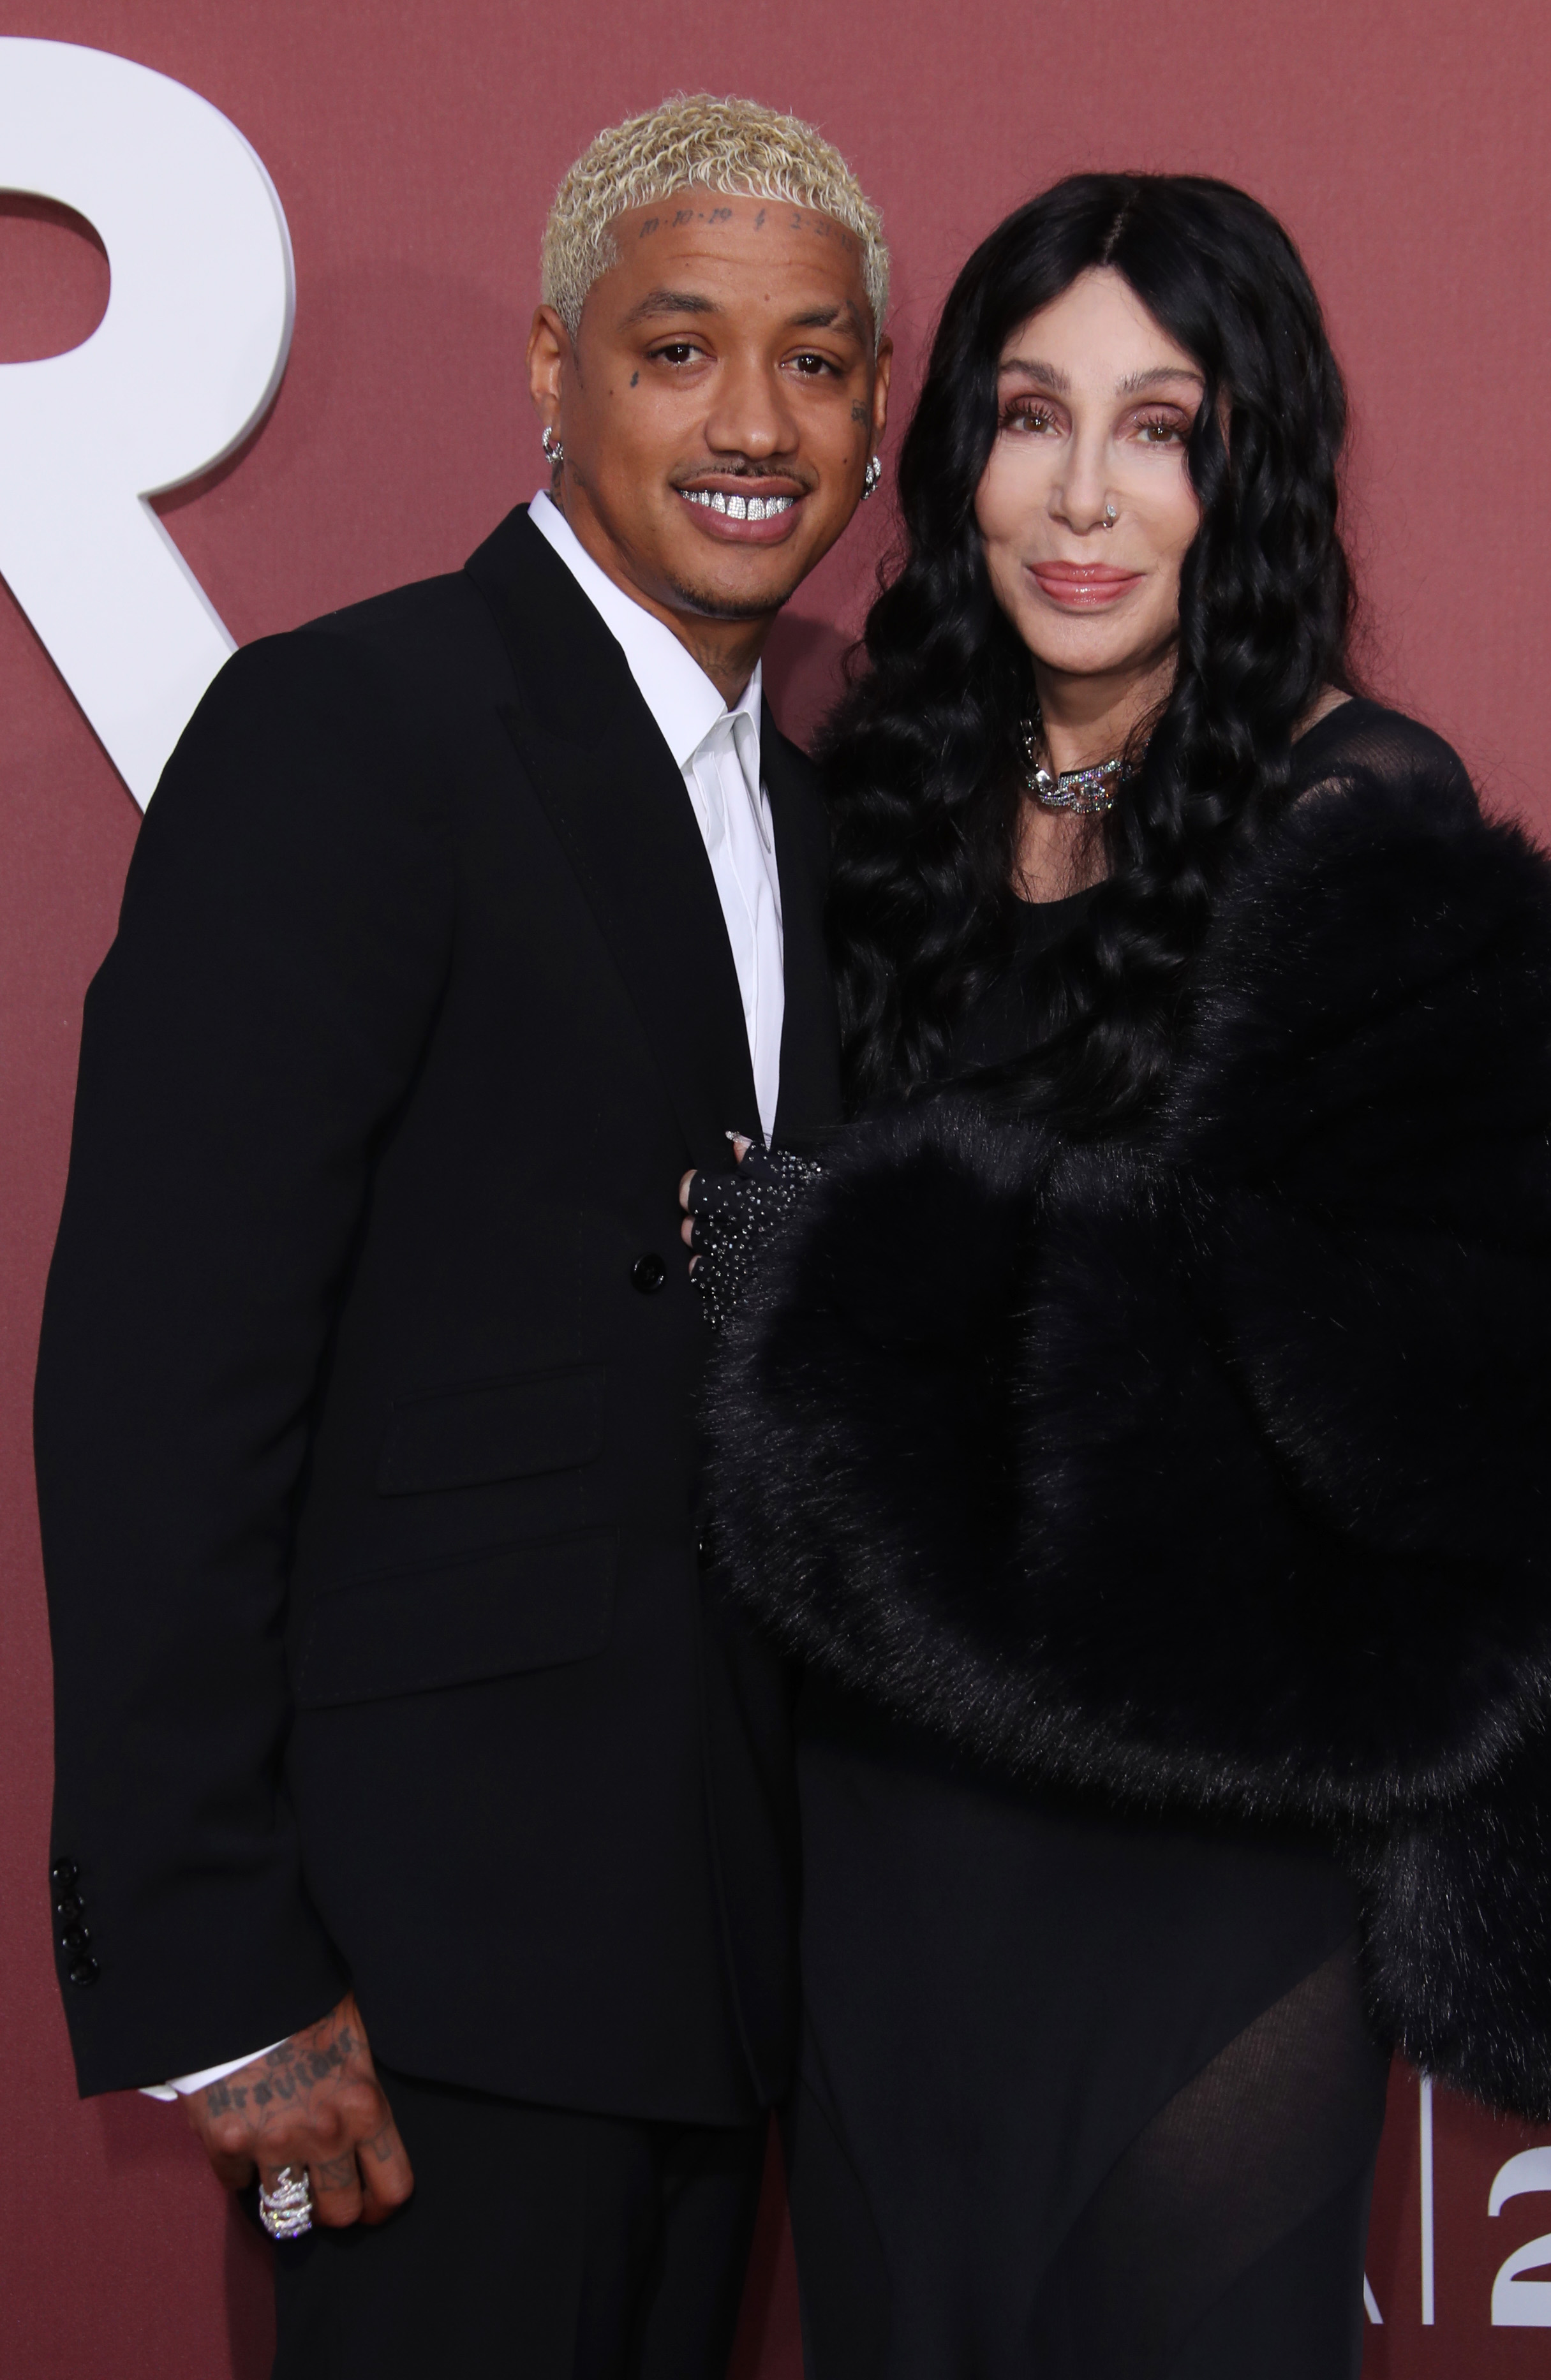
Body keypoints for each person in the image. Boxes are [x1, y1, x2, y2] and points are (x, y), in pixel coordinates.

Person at [686, 174, 1551, 2378]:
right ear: (955, 452)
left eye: (1160, 427)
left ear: (1247, 465)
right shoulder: (867, 807)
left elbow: (1436, 1402)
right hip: (883, 1846)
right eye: (1028, 416)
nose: (1083, 495)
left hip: (1197, 1872)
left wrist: (849, 1310)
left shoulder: (1347, 810)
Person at [35, 92, 891, 2379]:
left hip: (718, 1990)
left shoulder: (823, 829)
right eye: (679, 346)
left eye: (816, 361)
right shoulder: (350, 725)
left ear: (877, 409)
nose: (752, 422)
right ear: (550, 366)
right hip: (396, 2012)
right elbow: (158, 1381)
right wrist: (221, 1984)